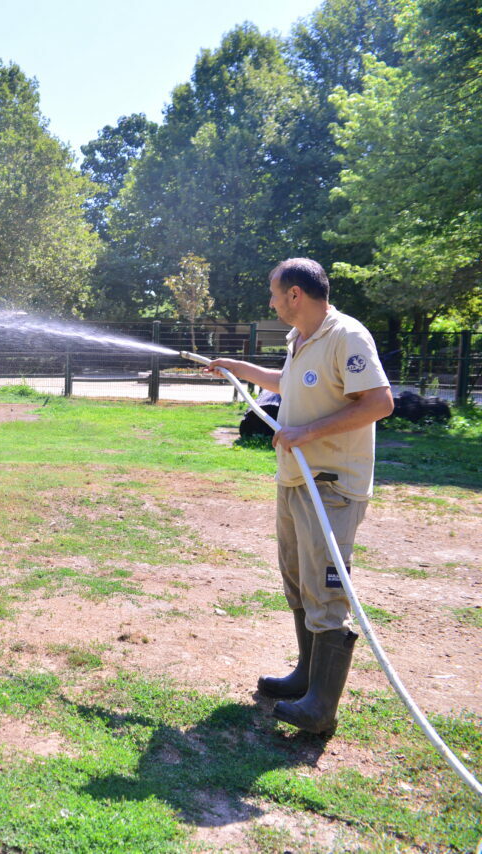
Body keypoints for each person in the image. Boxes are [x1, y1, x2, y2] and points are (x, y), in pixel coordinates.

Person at [205, 258, 393, 734]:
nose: (270, 302)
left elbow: (379, 402)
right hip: (294, 482)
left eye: (274, 293)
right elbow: (287, 384)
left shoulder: (347, 336)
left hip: (330, 486)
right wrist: (237, 368)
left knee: (325, 589)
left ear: (295, 295)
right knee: (297, 579)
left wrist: (307, 432)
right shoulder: (300, 340)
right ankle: (306, 678)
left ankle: (320, 710)